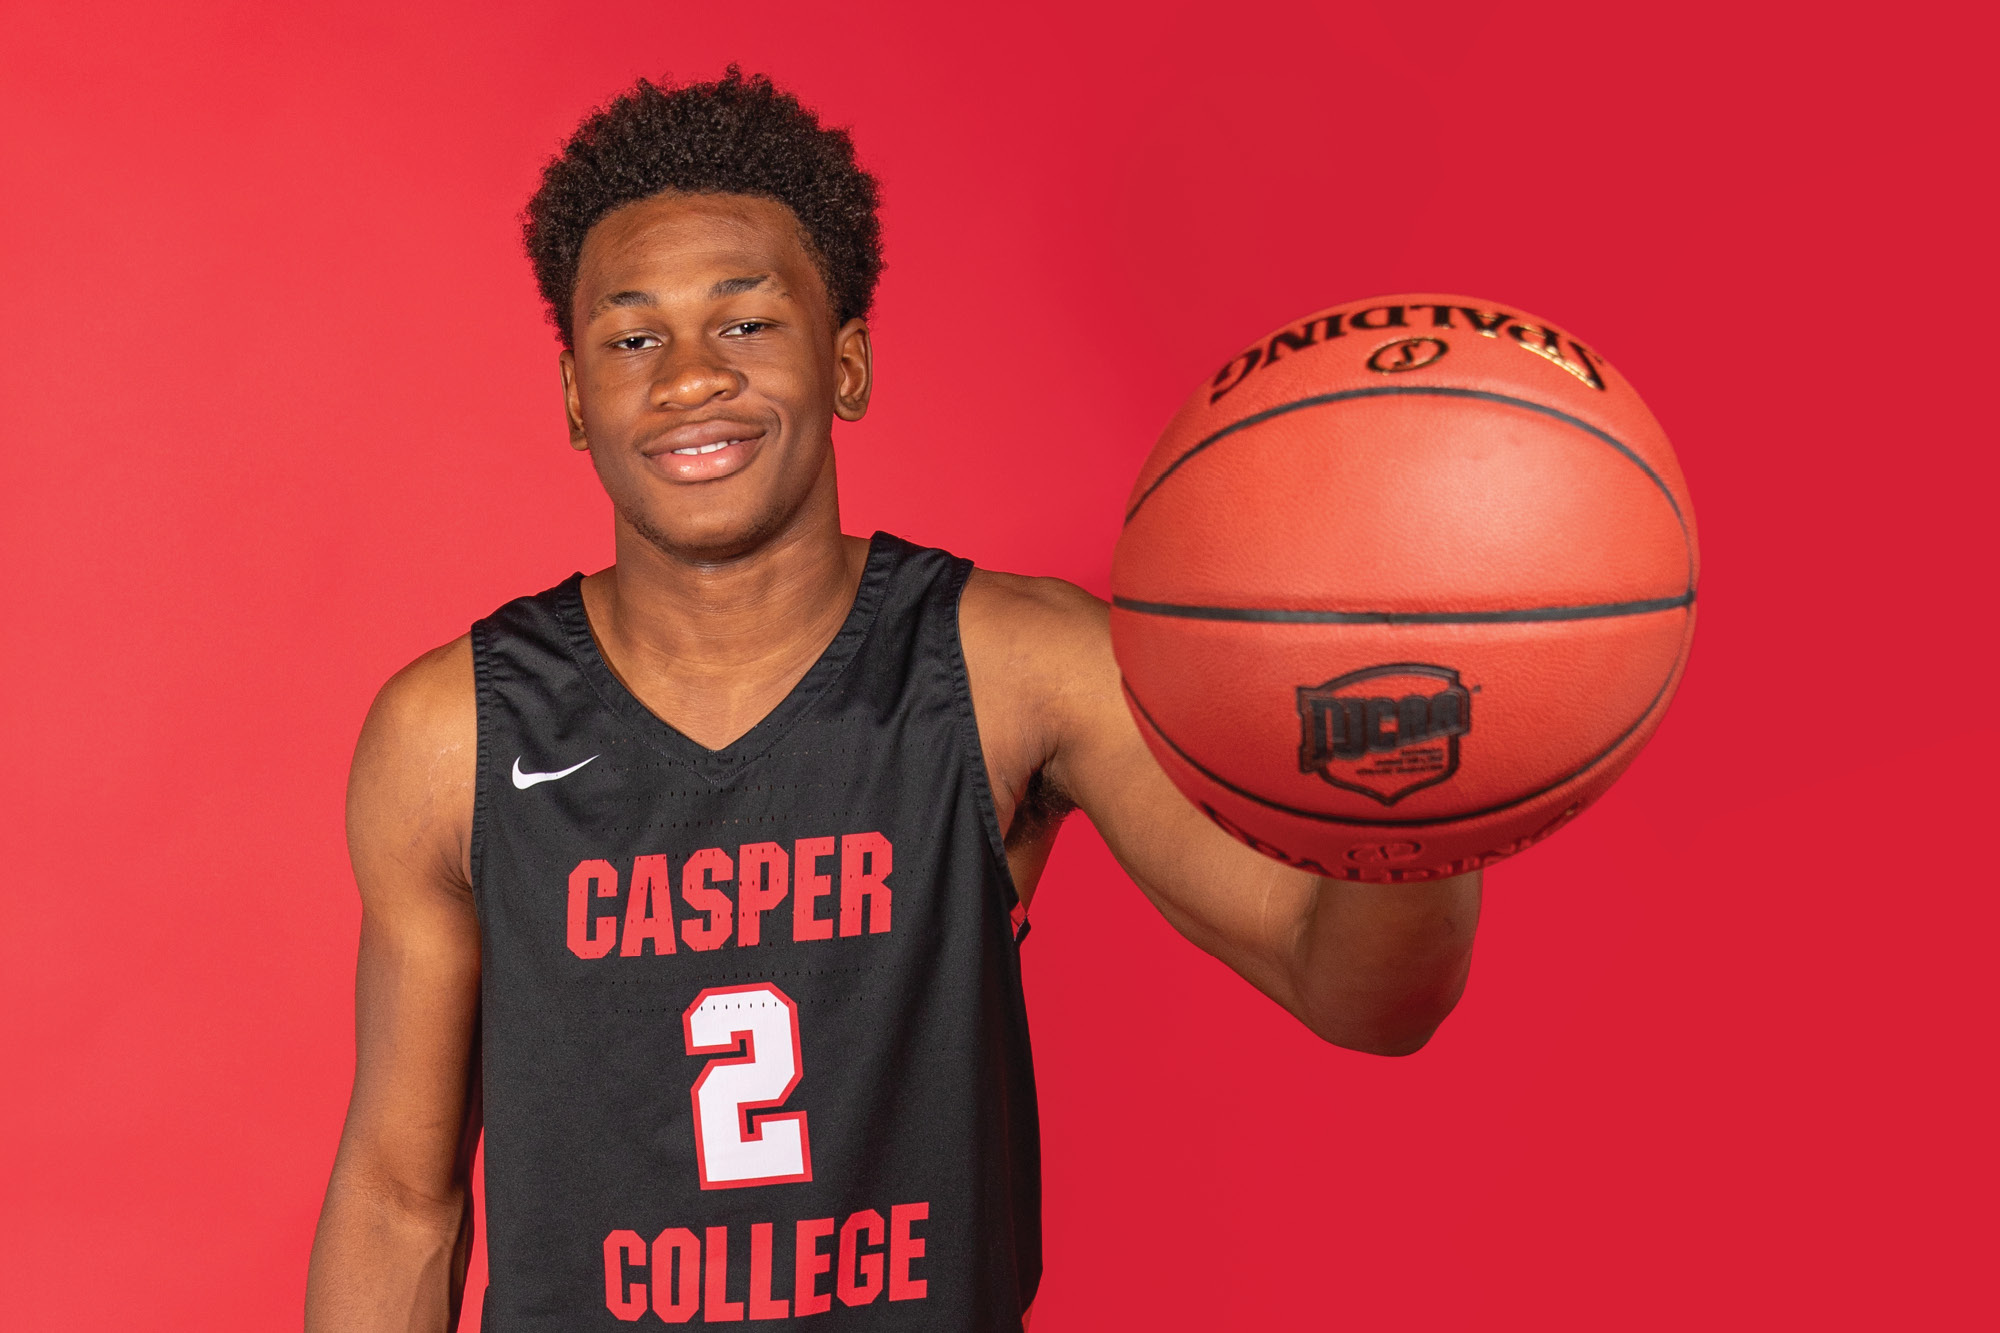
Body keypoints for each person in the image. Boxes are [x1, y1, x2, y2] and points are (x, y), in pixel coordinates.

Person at [304, 68, 1481, 1332]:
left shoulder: (1012, 665)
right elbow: (399, 1198)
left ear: (846, 362)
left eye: (746, 323)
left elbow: (1357, 990)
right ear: (577, 399)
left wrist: (1431, 767)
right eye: (632, 337)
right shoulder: (456, 731)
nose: (690, 375)